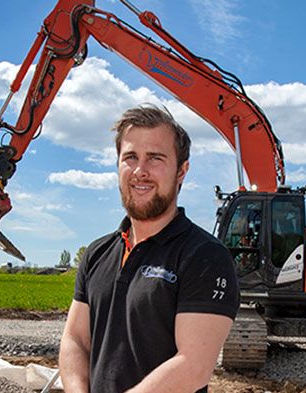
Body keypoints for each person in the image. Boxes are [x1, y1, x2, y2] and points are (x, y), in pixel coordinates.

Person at [58, 104, 239, 393]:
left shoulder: (205, 256)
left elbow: (194, 366)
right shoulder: (97, 253)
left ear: (182, 171)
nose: (140, 171)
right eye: (130, 157)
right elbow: (76, 340)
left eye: (155, 158)